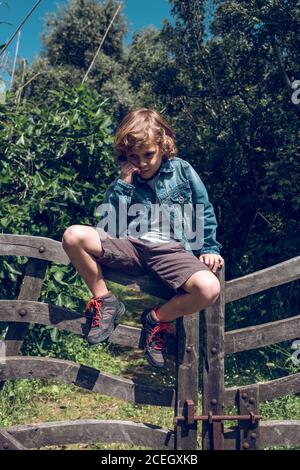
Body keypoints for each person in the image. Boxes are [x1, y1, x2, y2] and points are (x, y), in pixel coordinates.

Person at [62, 108, 224, 368]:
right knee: (72, 235)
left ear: (162, 145)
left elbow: (203, 208)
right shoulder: (125, 180)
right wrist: (124, 184)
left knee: (209, 288)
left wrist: (209, 247)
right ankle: (105, 300)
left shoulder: (181, 170)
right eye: (133, 156)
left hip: (171, 252)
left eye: (148, 154)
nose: (142, 162)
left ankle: (157, 319)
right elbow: (108, 225)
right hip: (130, 246)